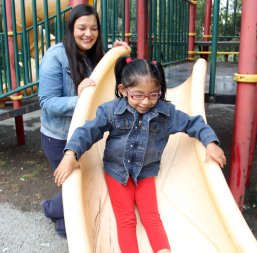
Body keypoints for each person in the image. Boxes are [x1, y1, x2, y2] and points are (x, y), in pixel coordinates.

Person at [53, 57, 227, 252]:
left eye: (154, 95)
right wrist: (71, 154)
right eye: (138, 95)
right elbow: (88, 131)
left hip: (145, 172)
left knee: (151, 215)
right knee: (126, 218)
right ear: (123, 90)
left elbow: (193, 123)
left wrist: (211, 142)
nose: (146, 101)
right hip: (117, 171)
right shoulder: (111, 111)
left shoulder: (165, 113)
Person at [38, 4, 128, 237]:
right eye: (82, 28)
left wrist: (115, 55)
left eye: (93, 28)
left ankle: (55, 209)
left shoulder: (93, 57)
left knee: (84, 181)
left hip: (86, 135)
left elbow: (109, 84)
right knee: (74, 183)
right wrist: (79, 99)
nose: (88, 33)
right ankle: (56, 214)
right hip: (59, 136)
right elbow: (47, 102)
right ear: (71, 28)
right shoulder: (55, 56)